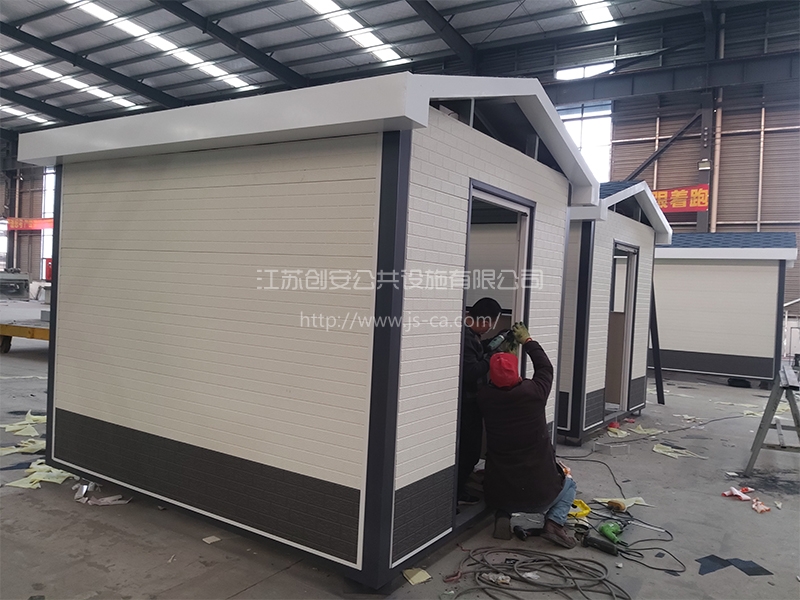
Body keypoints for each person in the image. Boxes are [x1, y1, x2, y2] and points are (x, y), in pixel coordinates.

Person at [477, 322, 577, 548]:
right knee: (569, 485)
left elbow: (492, 384)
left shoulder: (485, 398)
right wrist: (528, 342)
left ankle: (503, 515)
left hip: (499, 491)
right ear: (516, 373)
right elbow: (545, 368)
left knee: (503, 484)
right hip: (540, 493)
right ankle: (554, 523)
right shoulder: (534, 392)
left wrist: (501, 360)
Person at [457, 297, 502, 505]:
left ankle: (459, 489)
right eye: (490, 323)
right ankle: (456, 494)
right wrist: (491, 358)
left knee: (469, 451)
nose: (489, 328)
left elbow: (476, 352)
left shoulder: (470, 334)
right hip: (467, 404)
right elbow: (471, 371)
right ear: (484, 320)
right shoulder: (465, 337)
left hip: (472, 402)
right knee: (469, 452)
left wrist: (494, 342)